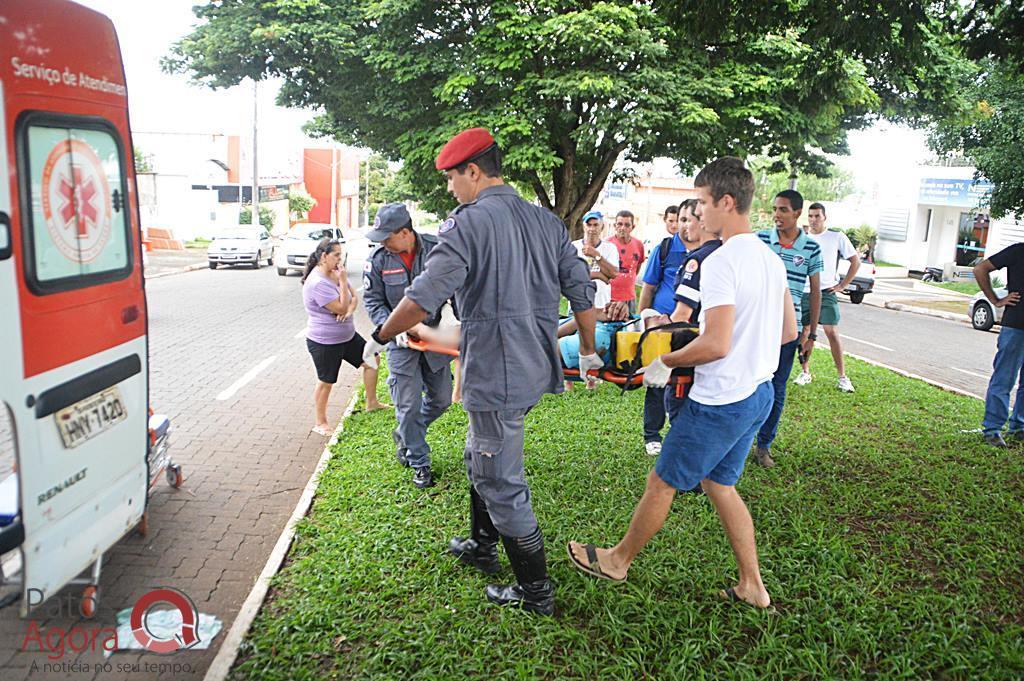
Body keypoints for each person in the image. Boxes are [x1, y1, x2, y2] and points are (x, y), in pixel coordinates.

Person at [361, 127, 598, 615]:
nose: (450, 188)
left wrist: (381, 336)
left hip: (498, 371)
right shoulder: (547, 221)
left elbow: (424, 295)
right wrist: (590, 351)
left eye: (452, 178)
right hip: (534, 363)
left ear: (473, 172)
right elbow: (580, 290)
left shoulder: (466, 224)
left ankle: (536, 593)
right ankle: (482, 546)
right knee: (478, 453)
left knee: (498, 478)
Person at [568, 156, 797, 610]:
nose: (699, 213)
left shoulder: (721, 261)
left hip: (720, 400)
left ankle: (617, 560)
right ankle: (752, 585)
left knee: (662, 481)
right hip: (758, 393)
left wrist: (666, 361)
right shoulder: (770, 258)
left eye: (705, 203)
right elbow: (788, 333)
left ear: (726, 202)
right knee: (720, 485)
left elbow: (714, 343)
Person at [363, 203, 454, 489]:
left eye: (387, 237)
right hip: (400, 343)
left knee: (441, 399)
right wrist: (389, 329)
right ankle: (419, 461)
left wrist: (451, 315)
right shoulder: (378, 259)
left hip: (434, 335)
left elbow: (456, 286)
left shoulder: (436, 249)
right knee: (408, 405)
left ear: (405, 232)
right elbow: (373, 301)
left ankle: (406, 434)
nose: (383, 243)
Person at [753, 190, 822, 467]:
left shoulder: (811, 248)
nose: (777, 215)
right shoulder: (759, 240)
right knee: (750, 382)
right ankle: (740, 439)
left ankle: (763, 446)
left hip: (787, 330)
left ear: (797, 213)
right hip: (756, 325)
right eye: (775, 209)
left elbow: (815, 293)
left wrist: (811, 334)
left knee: (777, 387)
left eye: (783, 210)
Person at [302, 238, 386, 436]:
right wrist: (343, 290)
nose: (340, 259)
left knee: (372, 360)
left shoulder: (335, 272)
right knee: (326, 381)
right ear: (324, 257)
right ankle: (320, 422)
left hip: (347, 336)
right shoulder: (317, 283)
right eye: (336, 255)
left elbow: (353, 297)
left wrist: (350, 309)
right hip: (325, 341)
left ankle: (372, 402)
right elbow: (340, 305)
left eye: (341, 254)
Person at [637, 206, 689, 455]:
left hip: (690, 330)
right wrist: (642, 323)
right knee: (656, 380)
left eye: (692, 219)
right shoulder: (666, 249)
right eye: (683, 219)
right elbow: (647, 288)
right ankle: (652, 435)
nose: (687, 225)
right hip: (659, 328)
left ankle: (680, 434)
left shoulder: (706, 251)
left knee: (684, 382)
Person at [665, 198, 721, 423]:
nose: (684, 226)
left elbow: (681, 316)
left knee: (682, 423)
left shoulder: (698, 260)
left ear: (703, 221)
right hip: (720, 360)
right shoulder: (726, 254)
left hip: (691, 353)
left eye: (689, 219)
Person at [793, 202, 860, 392]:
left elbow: (855, 261)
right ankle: (805, 372)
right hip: (805, 292)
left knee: (831, 332)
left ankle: (843, 377)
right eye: (811, 216)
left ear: (824, 217)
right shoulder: (802, 239)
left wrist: (842, 285)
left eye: (817, 216)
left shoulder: (836, 237)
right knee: (804, 333)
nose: (813, 220)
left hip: (827, 292)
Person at [975, 246, 1024, 447]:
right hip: (1016, 325)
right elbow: (980, 269)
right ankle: (993, 429)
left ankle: (1019, 426)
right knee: (1004, 378)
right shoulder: (1018, 251)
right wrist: (996, 300)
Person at [574, 211, 620, 310]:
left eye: (596, 225)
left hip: (602, 305)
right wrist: (598, 275)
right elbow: (570, 276)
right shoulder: (574, 247)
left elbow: (614, 273)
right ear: (583, 226)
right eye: (588, 225)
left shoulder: (609, 248)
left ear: (602, 227)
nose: (592, 229)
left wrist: (596, 255)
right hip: (578, 304)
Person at [608, 210, 646, 315]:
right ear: (615, 226)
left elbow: (637, 267)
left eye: (627, 225)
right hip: (609, 297)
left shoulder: (638, 245)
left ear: (632, 227)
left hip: (629, 297)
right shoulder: (607, 244)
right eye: (619, 224)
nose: (622, 228)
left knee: (627, 328)